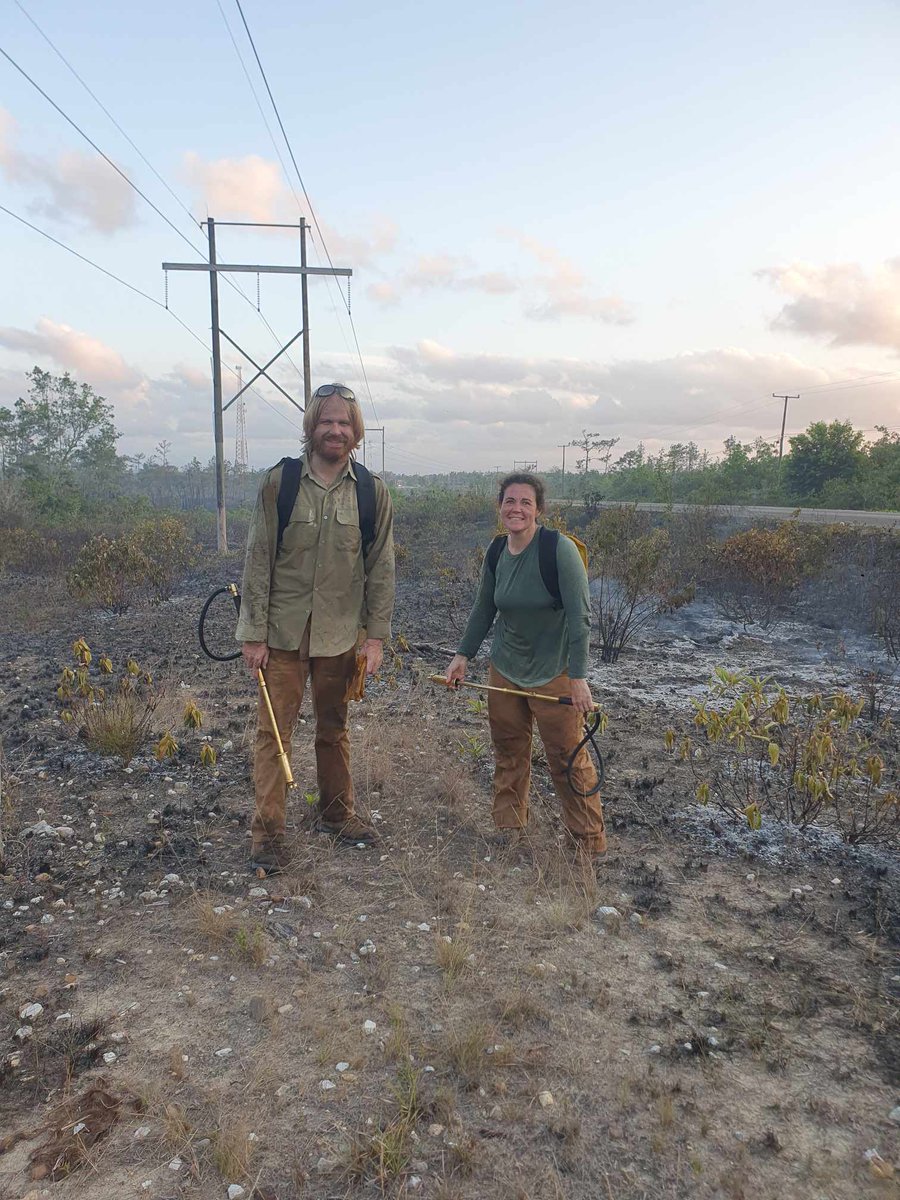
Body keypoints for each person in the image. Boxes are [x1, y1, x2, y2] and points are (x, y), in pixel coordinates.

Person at [237, 383, 395, 871]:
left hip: (340, 637)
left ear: (356, 432)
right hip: (282, 636)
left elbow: (381, 567)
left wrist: (374, 638)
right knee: (274, 735)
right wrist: (253, 634)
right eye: (327, 421)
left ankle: (336, 814)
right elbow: (258, 558)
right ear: (311, 426)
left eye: (345, 423)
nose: (335, 430)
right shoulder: (279, 483)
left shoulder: (371, 492)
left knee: (334, 729)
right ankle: (267, 836)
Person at [444, 473, 606, 859]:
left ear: (539, 509)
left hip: (554, 671)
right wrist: (462, 655)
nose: (516, 509)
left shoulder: (559, 551)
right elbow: (484, 607)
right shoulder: (497, 551)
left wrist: (579, 677)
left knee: (567, 757)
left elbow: (581, 617)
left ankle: (587, 842)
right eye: (509, 501)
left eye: (525, 502)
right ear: (500, 506)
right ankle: (509, 829)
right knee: (509, 750)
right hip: (505, 667)